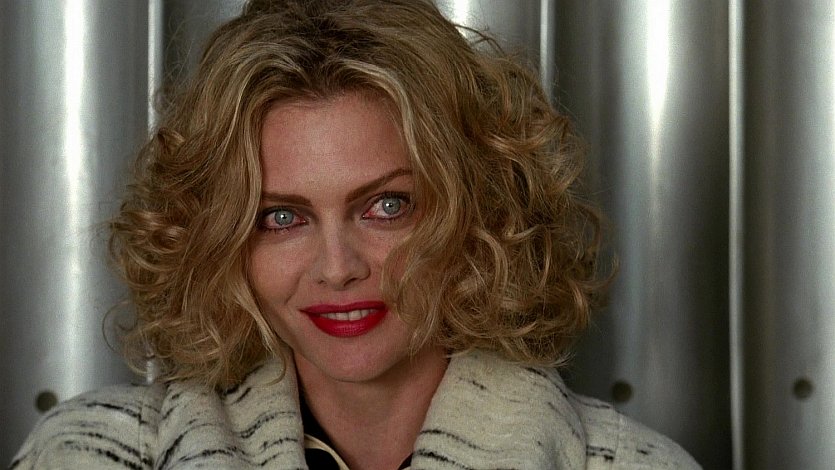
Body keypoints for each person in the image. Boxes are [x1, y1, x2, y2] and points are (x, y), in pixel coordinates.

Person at [10, 0, 700, 468]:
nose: (336, 267)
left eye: (387, 207)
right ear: (219, 239)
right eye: (281, 217)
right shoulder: (91, 454)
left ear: (479, 212)